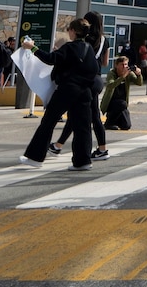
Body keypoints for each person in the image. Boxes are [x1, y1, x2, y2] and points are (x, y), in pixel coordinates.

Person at [21, 13, 106, 172]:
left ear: (73, 31)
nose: (68, 32)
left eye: (69, 29)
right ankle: (82, 161)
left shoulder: (69, 47)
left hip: (67, 89)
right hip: (85, 92)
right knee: (83, 127)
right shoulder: (89, 49)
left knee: (48, 122)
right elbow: (94, 69)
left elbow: (49, 59)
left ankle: (35, 157)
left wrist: (32, 47)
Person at [54, 36, 112, 160]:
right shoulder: (104, 40)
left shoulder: (84, 41)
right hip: (96, 79)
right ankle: (102, 148)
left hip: (84, 80)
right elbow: (105, 63)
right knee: (94, 115)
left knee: (75, 114)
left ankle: (59, 146)